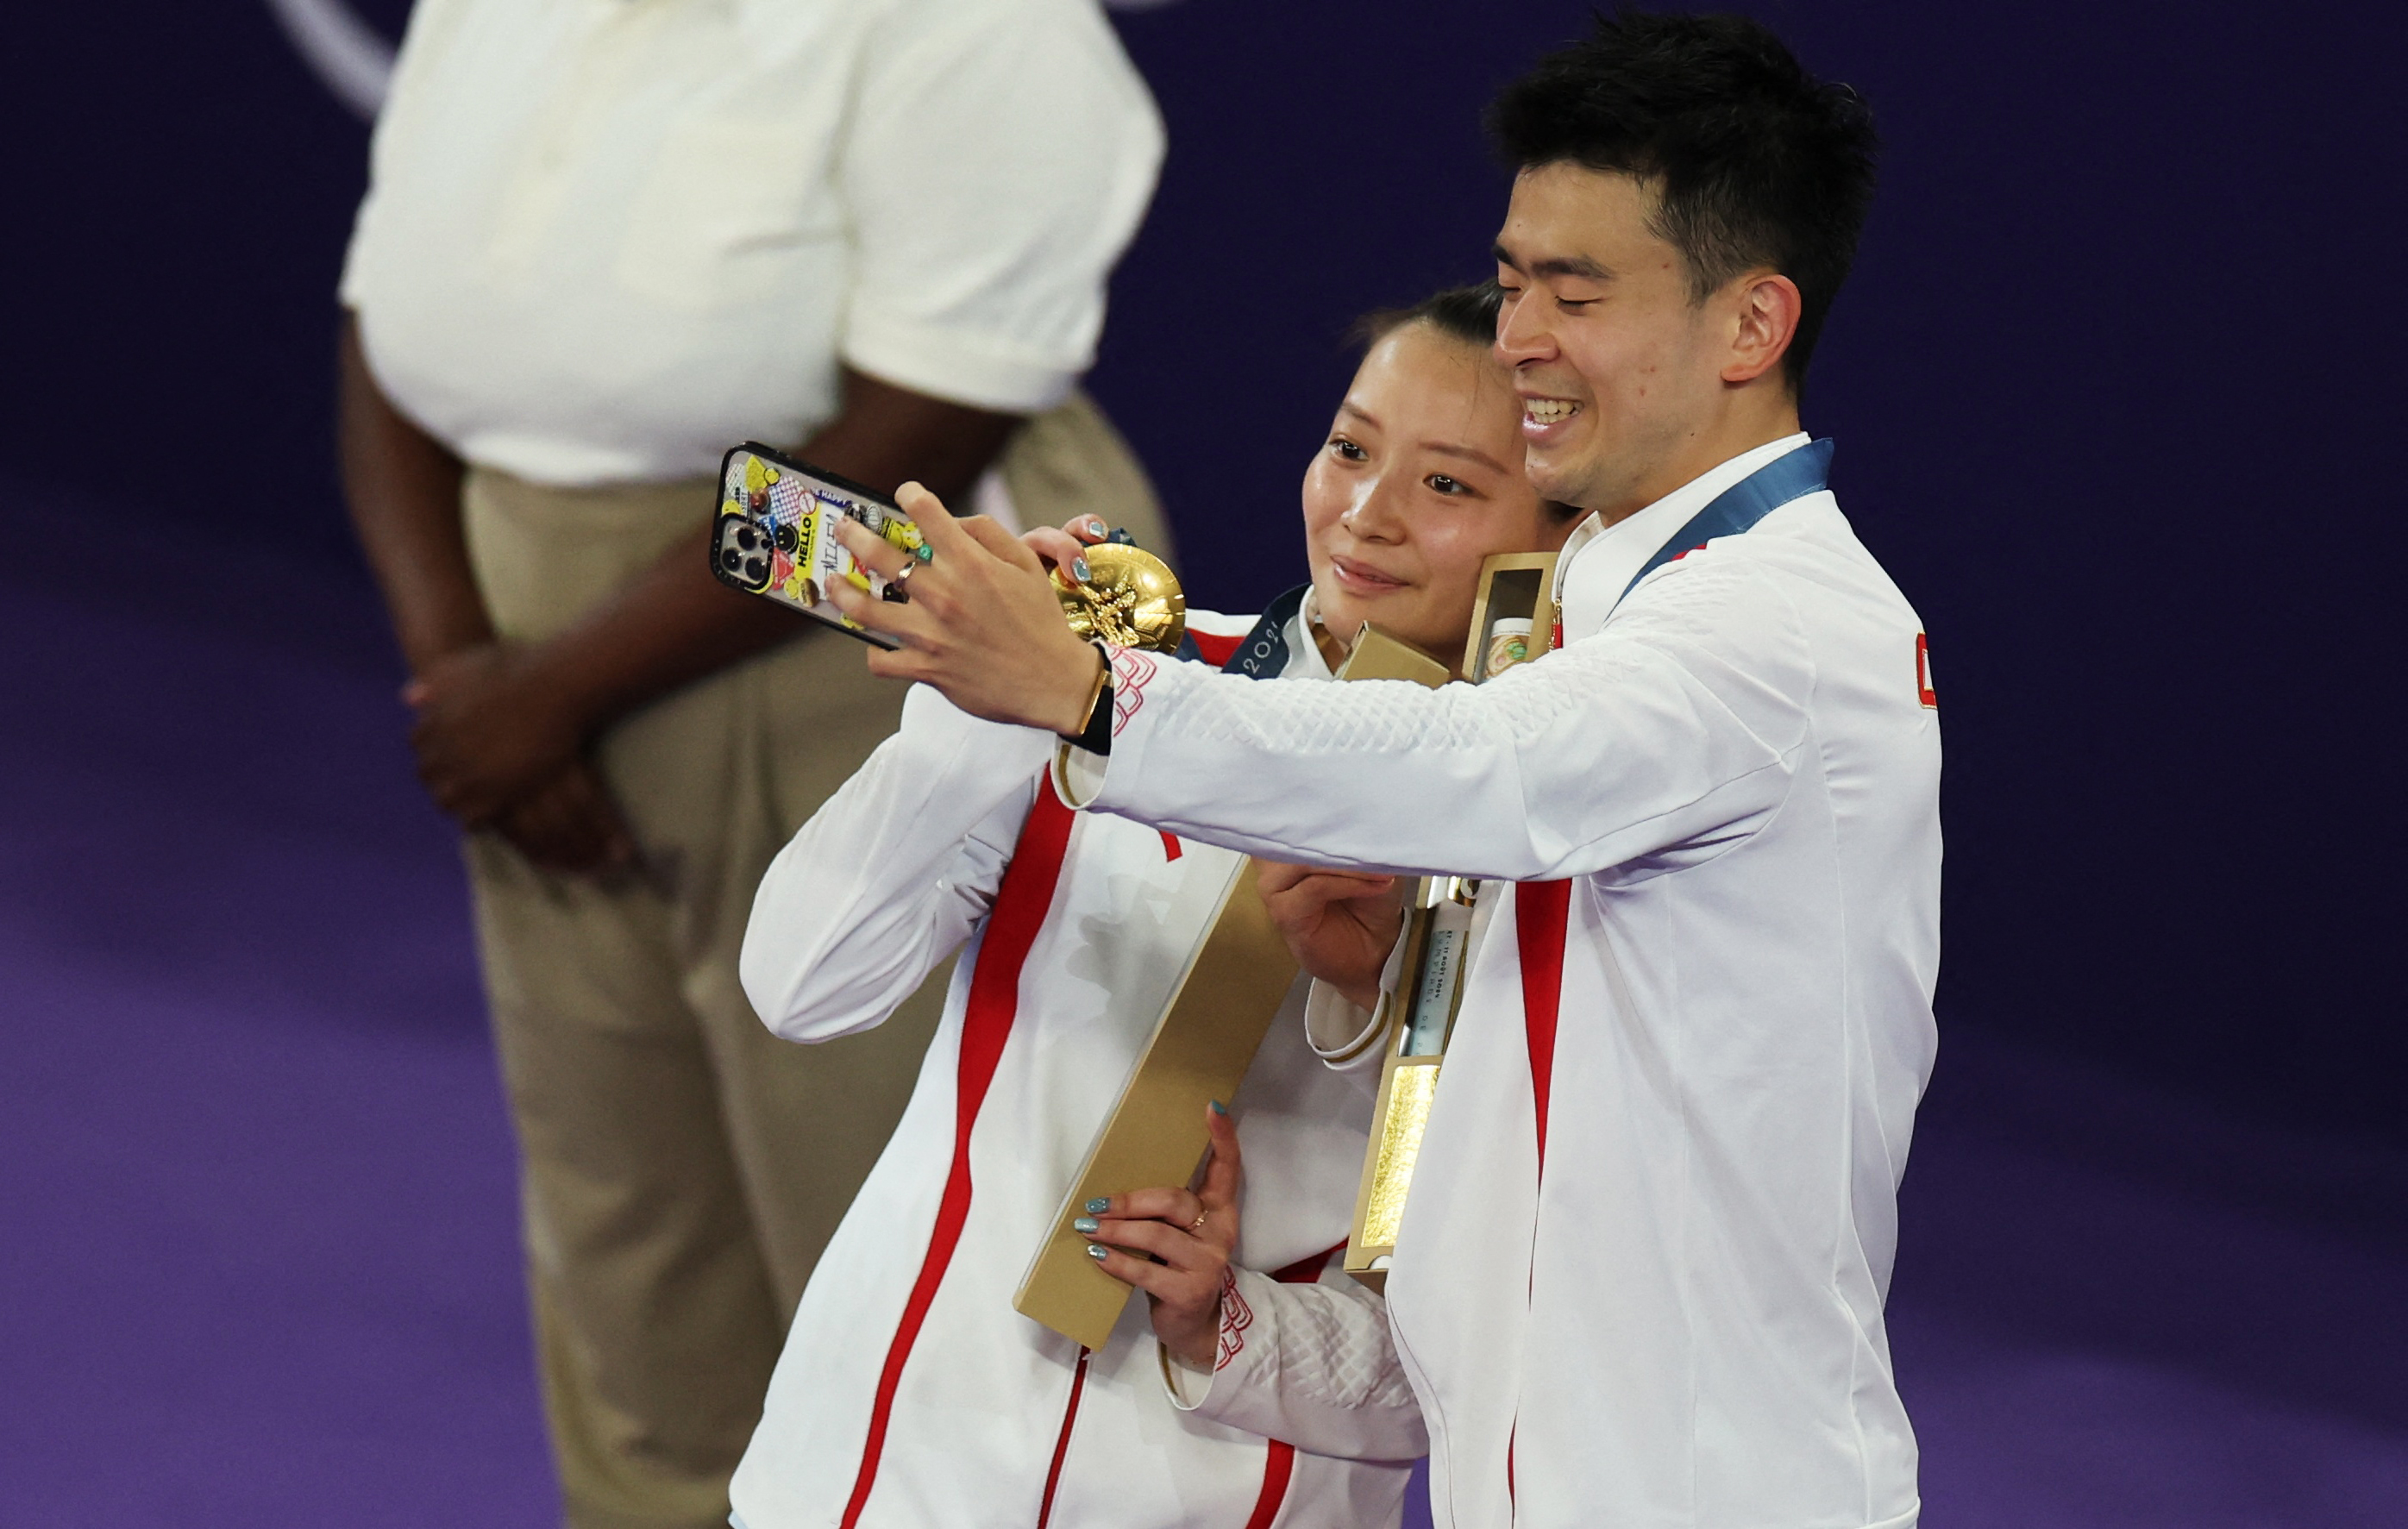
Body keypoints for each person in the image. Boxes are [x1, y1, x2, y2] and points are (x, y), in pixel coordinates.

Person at [816, 14, 1937, 1529]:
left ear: (1749, 328)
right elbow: (1480, 1269)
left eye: (1579, 290)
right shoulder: (1591, 613)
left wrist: (1084, 690)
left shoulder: (1777, 635)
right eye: (1519, 272)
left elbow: (1476, 768)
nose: (1523, 332)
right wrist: (1344, 1047)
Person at [333, 2, 1164, 1524]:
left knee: (893, 1235)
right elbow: (395, 323)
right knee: (623, 1228)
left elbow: (936, 412)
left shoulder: (986, 32)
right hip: (515, 641)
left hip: (841, 644)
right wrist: (467, 670)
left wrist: (554, 690)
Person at [727, 286, 1577, 1529]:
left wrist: (1224, 1319)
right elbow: (801, 987)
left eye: (1448, 486)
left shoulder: (1549, 859)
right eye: (1349, 448)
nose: (1367, 513)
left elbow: (1477, 1370)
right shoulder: (1124, 691)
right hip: (878, 1482)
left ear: (1558, 544)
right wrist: (982, 705)